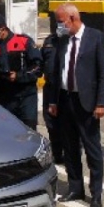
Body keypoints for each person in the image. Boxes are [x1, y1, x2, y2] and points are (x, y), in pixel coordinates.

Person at [45, 3, 104, 207]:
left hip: (87, 103)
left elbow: (103, 73)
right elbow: (56, 71)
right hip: (65, 100)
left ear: (73, 18)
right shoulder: (62, 40)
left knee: (92, 149)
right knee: (70, 148)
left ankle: (96, 193)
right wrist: (54, 101)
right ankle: (75, 188)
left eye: (61, 21)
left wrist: (101, 102)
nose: (59, 26)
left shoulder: (95, 37)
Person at [0, 12, 42, 129]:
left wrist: (18, 76)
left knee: (28, 132)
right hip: (5, 99)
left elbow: (38, 67)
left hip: (26, 98)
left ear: (2, 28)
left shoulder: (23, 41)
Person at [41, 13, 64, 164]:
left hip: (65, 89)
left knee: (67, 122)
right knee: (50, 122)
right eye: (57, 22)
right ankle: (57, 152)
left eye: (62, 22)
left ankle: (70, 151)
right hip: (50, 87)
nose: (59, 25)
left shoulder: (72, 41)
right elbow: (42, 61)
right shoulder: (49, 41)